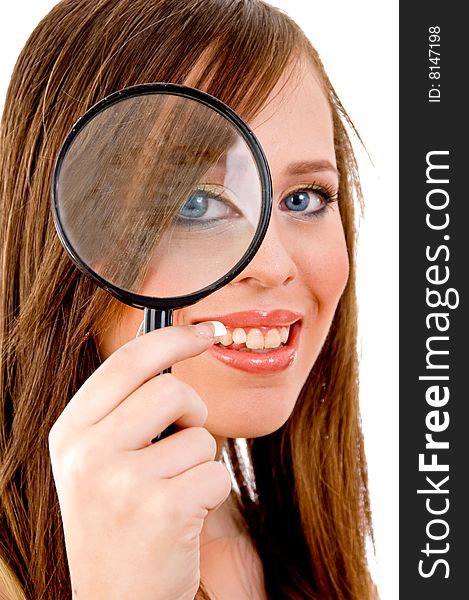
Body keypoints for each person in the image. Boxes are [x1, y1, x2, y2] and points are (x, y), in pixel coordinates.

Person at [0, 0, 377, 598]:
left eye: (305, 198)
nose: (275, 266)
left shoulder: (285, 551)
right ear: (62, 234)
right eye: (195, 205)